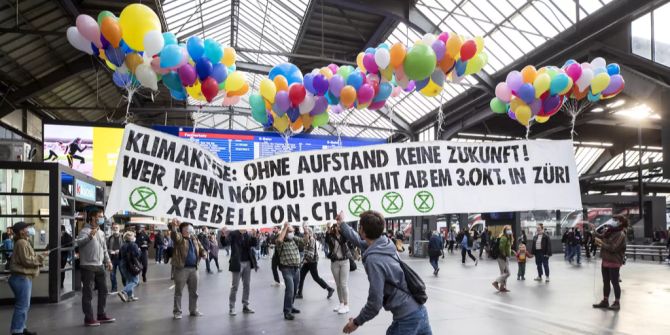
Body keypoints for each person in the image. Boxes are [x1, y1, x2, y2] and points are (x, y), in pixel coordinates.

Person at [338, 211, 431, 335]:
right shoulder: (385, 243)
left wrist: (356, 322)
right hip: (420, 312)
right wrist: (342, 224)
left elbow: (375, 303)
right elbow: (358, 241)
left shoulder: (373, 260)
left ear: (363, 232)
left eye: (360, 227)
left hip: (407, 319)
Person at [74, 209, 115, 327]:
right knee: (88, 293)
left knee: (104, 290)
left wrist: (108, 261)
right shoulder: (85, 231)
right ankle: (89, 318)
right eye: (99, 216)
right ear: (92, 217)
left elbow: (104, 249)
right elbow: (77, 243)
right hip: (88, 266)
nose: (101, 218)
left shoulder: (101, 232)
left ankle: (101, 314)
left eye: (102, 216)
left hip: (100, 265)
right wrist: (89, 237)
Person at [8, 222, 47, 335]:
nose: (30, 229)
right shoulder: (22, 243)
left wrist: (40, 257)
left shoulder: (22, 242)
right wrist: (41, 257)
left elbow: (27, 259)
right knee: (22, 305)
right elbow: (27, 261)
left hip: (21, 278)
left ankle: (21, 328)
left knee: (24, 305)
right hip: (21, 278)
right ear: (21, 231)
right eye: (27, 228)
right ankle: (17, 331)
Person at [168, 219, 206, 319]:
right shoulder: (180, 238)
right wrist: (174, 227)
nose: (190, 228)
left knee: (194, 292)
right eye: (187, 227)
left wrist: (204, 253)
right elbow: (174, 236)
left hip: (194, 269)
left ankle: (194, 310)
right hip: (182, 269)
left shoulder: (194, 238)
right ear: (183, 229)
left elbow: (201, 248)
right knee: (178, 292)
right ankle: (177, 312)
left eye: (190, 226)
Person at [592, 215, 628, 311]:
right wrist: (594, 232)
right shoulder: (610, 231)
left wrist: (601, 243)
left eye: (615, 220)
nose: (613, 221)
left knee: (615, 282)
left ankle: (617, 302)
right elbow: (601, 236)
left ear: (620, 222)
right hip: (605, 260)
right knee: (606, 281)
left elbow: (613, 248)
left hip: (614, 261)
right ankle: (605, 300)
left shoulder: (621, 234)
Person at [296, 226, 335, 300]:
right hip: (308, 261)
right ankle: (299, 293)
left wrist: (304, 260)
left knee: (316, 277)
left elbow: (311, 253)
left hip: (312, 261)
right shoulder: (306, 240)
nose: (304, 234)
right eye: (304, 233)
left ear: (310, 233)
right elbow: (306, 252)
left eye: (306, 233)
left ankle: (329, 289)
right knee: (301, 276)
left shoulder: (312, 240)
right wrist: (303, 260)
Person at [276, 223, 305, 320]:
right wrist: (285, 228)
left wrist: (306, 231)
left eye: (292, 231)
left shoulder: (293, 239)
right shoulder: (281, 242)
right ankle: (287, 311)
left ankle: (291, 306)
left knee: (294, 289)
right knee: (290, 289)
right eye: (290, 232)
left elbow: (304, 241)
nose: (291, 233)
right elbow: (279, 240)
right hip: (286, 269)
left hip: (296, 268)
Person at [228, 228, 258, 316]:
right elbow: (225, 242)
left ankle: (245, 305)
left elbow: (254, 244)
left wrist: (254, 236)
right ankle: (232, 307)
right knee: (235, 286)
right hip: (237, 263)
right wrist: (223, 234)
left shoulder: (248, 234)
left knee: (247, 285)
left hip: (247, 263)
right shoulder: (233, 233)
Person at [326, 222, 352, 314]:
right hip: (335, 262)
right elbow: (327, 241)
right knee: (338, 284)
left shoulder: (344, 236)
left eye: (339, 226)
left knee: (343, 284)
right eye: (337, 226)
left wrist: (342, 229)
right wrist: (328, 230)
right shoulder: (331, 236)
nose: (338, 227)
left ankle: (346, 305)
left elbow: (344, 240)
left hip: (345, 262)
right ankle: (341, 303)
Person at [117, 231, 141, 302]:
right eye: (133, 236)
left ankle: (130, 297)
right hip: (131, 265)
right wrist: (139, 251)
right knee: (135, 281)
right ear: (131, 238)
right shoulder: (134, 245)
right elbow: (137, 255)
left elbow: (119, 256)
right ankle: (123, 292)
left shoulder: (122, 246)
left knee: (129, 280)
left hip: (122, 264)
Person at [492, 225, 513, 292]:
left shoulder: (508, 237)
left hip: (505, 257)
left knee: (505, 273)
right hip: (502, 258)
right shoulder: (504, 238)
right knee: (507, 273)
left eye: (509, 229)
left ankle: (502, 287)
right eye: (507, 229)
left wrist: (510, 253)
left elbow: (507, 248)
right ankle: (496, 282)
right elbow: (501, 248)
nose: (509, 231)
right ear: (504, 231)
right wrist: (505, 256)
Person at [107, 223, 123, 293]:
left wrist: (119, 251)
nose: (115, 229)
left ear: (119, 228)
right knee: (112, 275)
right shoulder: (110, 238)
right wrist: (110, 251)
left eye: (116, 227)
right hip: (112, 259)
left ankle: (126, 288)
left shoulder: (123, 237)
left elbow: (126, 247)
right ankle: (114, 288)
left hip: (121, 258)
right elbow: (106, 248)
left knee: (123, 274)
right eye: (114, 228)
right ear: (112, 229)